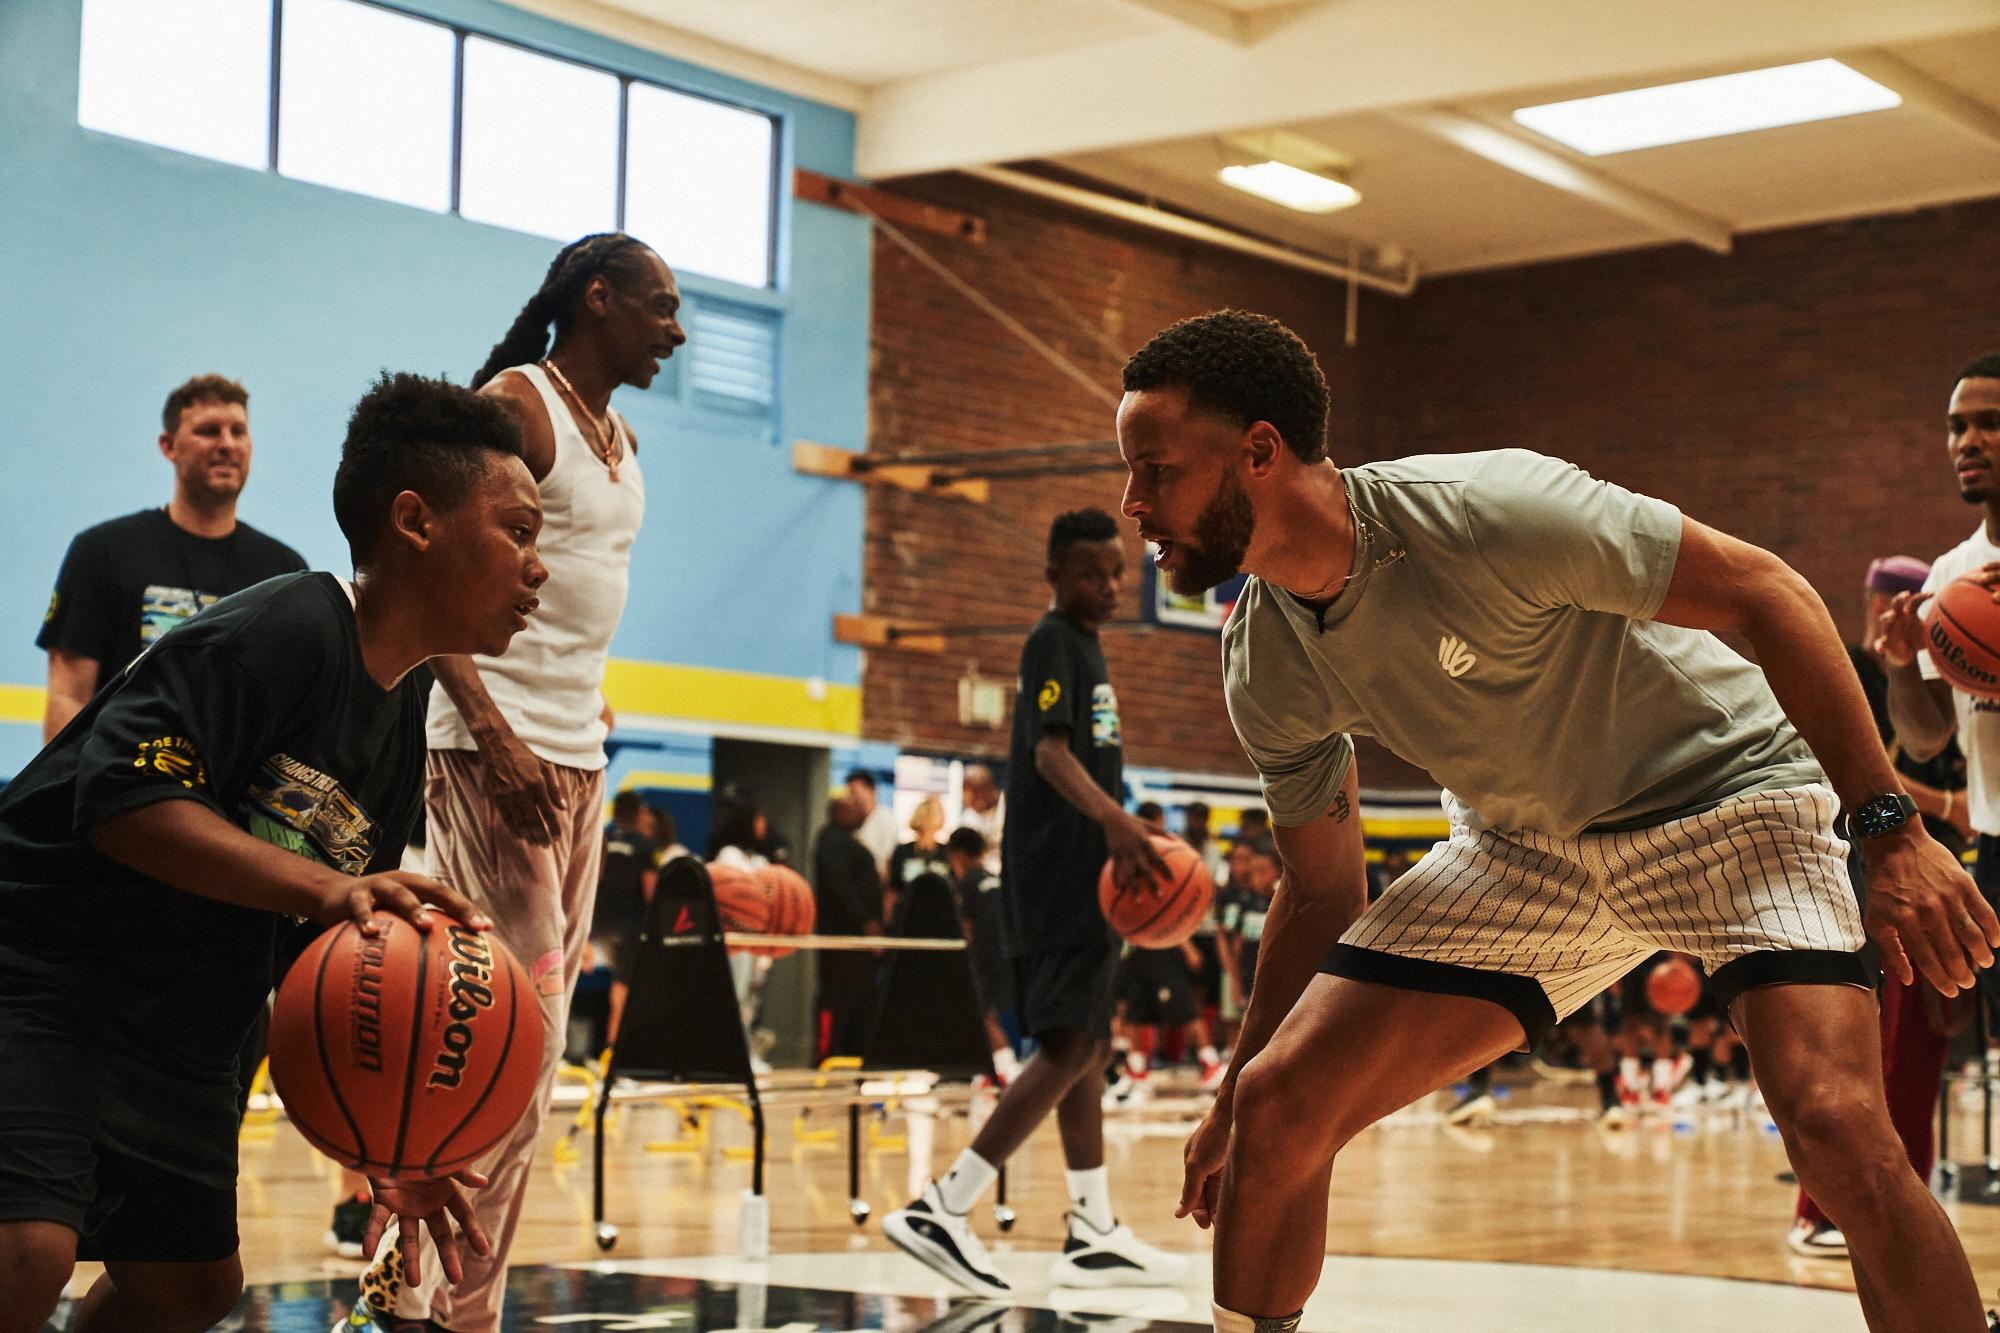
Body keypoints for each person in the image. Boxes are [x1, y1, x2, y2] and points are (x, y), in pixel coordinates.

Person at [1116, 310, 1999, 1332]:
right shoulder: (1262, 656)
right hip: (1521, 850)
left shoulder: (1486, 508)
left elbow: (1767, 592)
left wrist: (1887, 828)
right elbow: (1320, 892)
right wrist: (1231, 1087)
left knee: (1838, 1125)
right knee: (1274, 1110)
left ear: (1259, 453)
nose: (1135, 502)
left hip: (1727, 799)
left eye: (1155, 470)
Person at [0, 372, 539, 1333]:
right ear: (416, 522)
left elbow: (321, 955)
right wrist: (335, 888)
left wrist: (395, 1147)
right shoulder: (287, 625)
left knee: (191, 1290)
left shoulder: (403, 718)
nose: (538, 569)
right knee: (26, 1250)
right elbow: (123, 799)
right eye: (521, 532)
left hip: (180, 1023)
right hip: (42, 970)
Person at [347, 232, 683, 1333]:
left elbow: (578, 593)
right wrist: (491, 730)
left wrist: (588, 707)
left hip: (576, 758)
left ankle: (451, 1300)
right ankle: (415, 1284)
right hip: (491, 751)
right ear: (600, 300)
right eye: (661, 308)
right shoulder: (520, 404)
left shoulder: (619, 435)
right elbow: (426, 562)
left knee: (532, 1053)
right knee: (505, 1034)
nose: (675, 331)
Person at [882, 508, 1184, 1297]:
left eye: (1119, 572)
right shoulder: (1053, 641)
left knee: (1085, 1046)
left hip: (1087, 882)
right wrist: (1117, 821)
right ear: (1054, 575)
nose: (1110, 586)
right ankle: (943, 1208)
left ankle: (1092, 1230)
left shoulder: (1088, 646)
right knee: (1062, 1046)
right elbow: (1049, 752)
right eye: (1092, 573)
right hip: (1058, 877)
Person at [38, 373, 306, 741]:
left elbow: (293, 711)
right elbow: (68, 696)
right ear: (168, 446)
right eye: (208, 431)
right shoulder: (102, 553)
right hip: (122, 784)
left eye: (238, 431)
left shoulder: (284, 572)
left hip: (231, 793)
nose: (227, 444)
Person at [812, 794, 885, 1060]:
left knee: (859, 1004)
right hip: (844, 943)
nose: (863, 813)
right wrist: (866, 920)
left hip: (857, 948)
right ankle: (827, 1054)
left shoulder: (846, 841)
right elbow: (840, 885)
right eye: (855, 809)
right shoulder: (832, 841)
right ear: (840, 812)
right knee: (836, 1003)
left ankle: (852, 1056)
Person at [946, 825, 1020, 1082]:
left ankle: (1007, 1069)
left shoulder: (968, 883)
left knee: (983, 1016)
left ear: (959, 855)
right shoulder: (995, 880)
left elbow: (967, 928)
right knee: (978, 1015)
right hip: (1005, 956)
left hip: (982, 959)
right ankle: (980, 1071)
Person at [592, 791, 659, 1053]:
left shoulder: (604, 841)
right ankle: (617, 1055)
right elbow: (650, 891)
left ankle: (614, 1053)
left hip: (601, 927)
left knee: (619, 989)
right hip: (632, 926)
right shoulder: (646, 846)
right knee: (625, 992)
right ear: (638, 812)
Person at [887, 796, 952, 927]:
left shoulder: (946, 853)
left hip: (940, 916)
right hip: (906, 915)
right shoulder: (903, 851)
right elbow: (893, 887)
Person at [849, 768, 900, 877]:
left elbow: (888, 857)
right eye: (850, 793)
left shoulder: (885, 818)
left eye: (855, 792)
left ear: (872, 790)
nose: (852, 798)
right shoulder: (851, 820)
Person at [960, 764, 1006, 874]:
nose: (976, 801)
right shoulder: (968, 818)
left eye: (978, 794)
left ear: (991, 789)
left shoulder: (1012, 807)